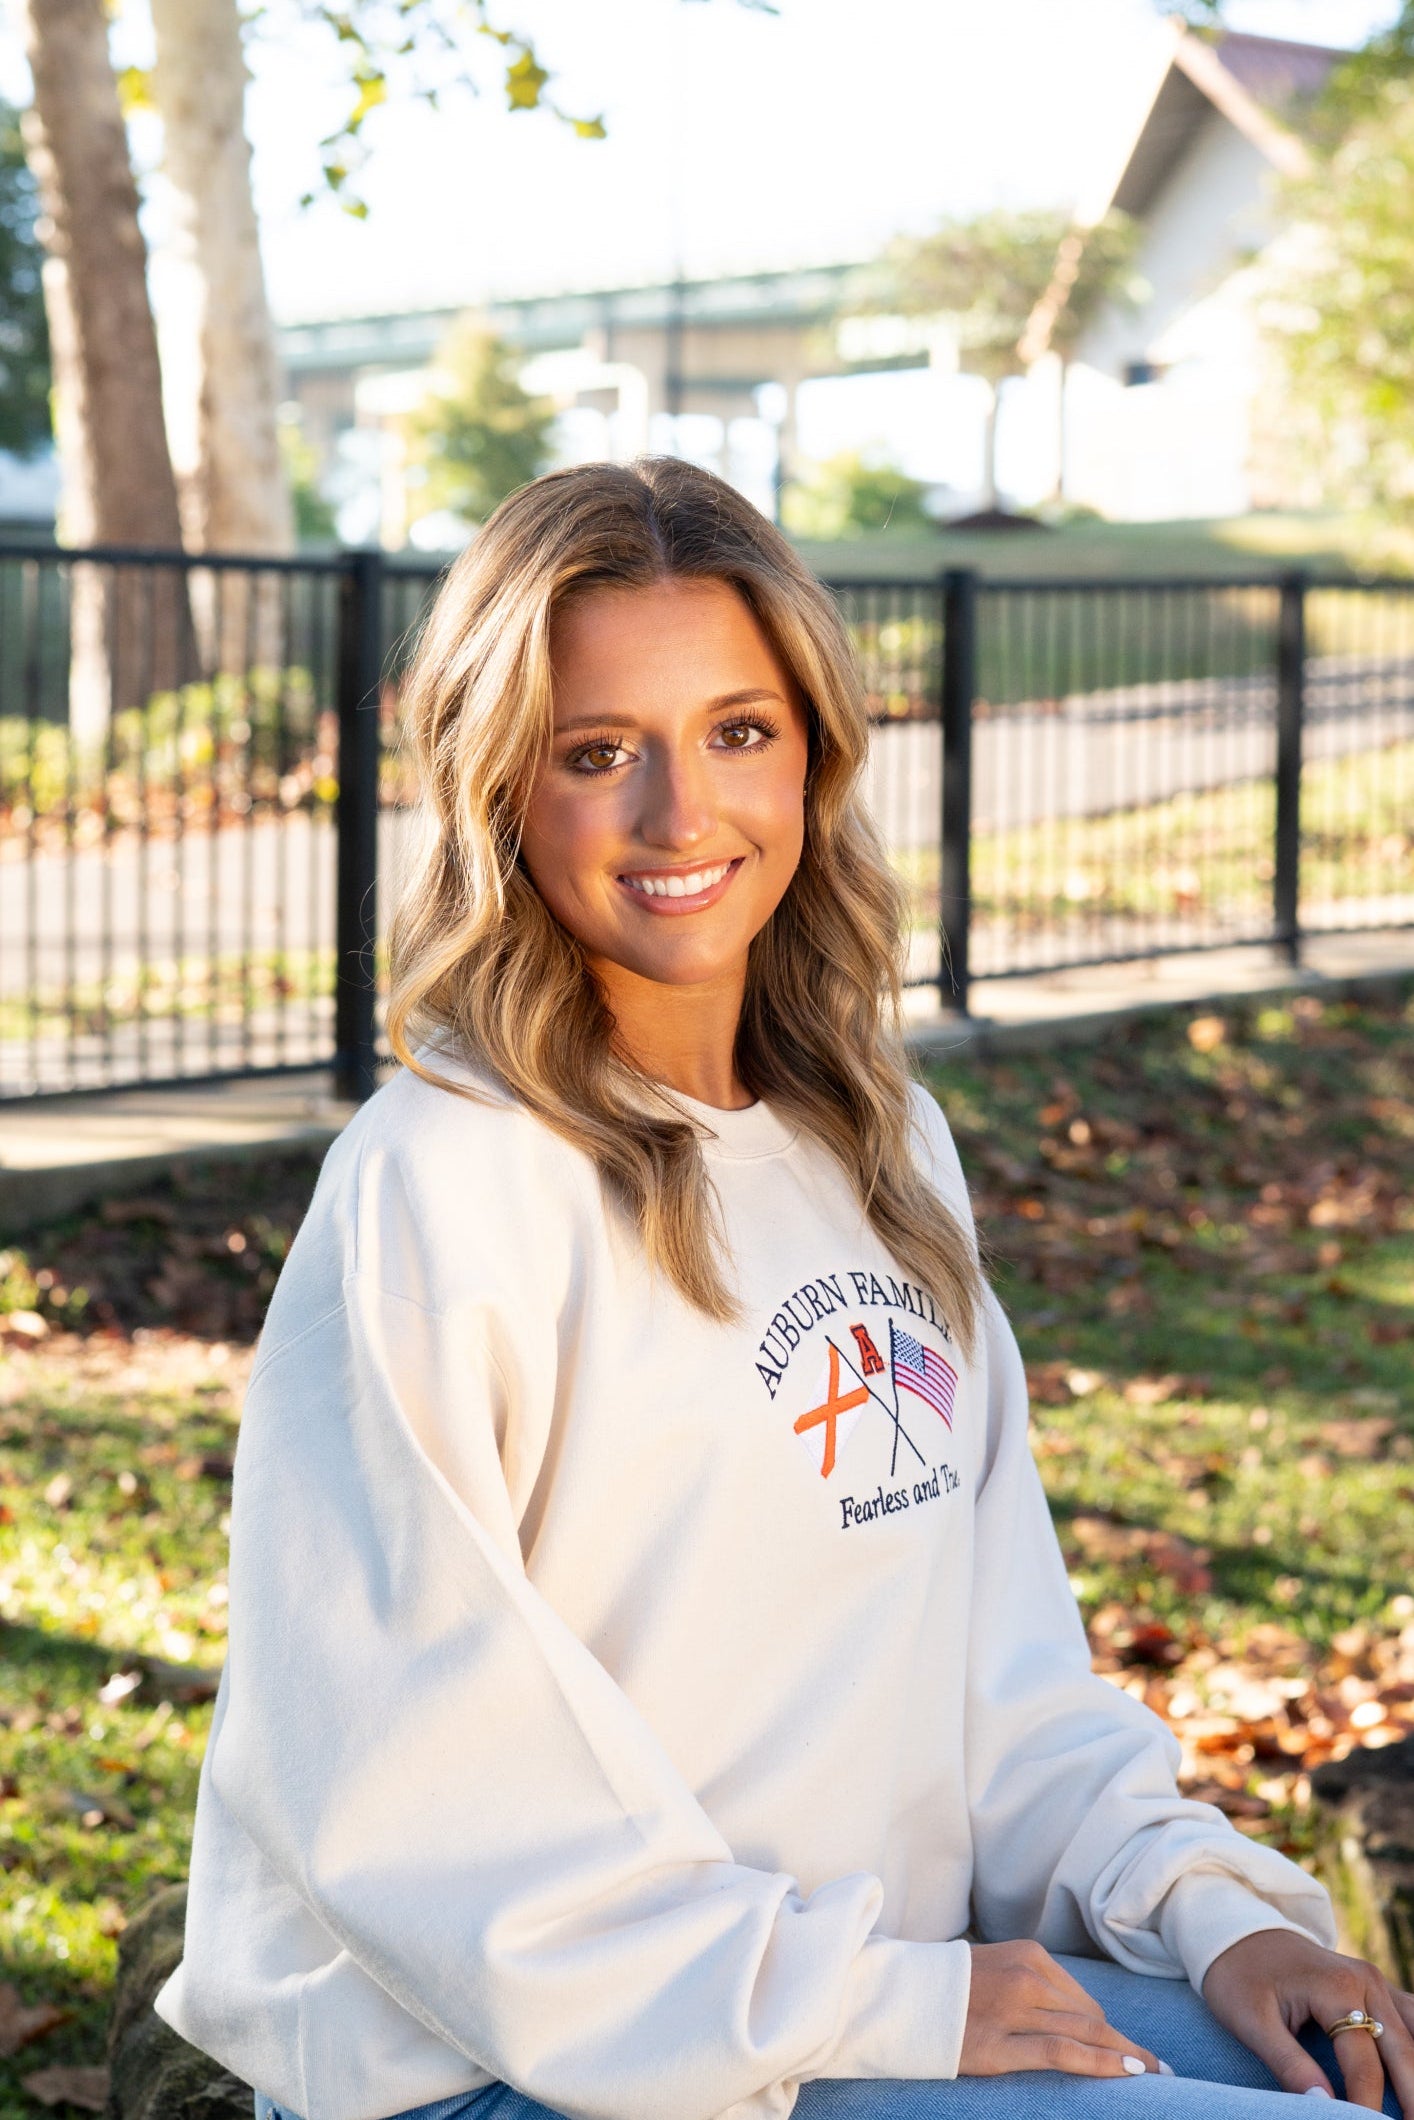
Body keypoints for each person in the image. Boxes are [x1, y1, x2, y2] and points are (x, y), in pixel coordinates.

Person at [156, 460, 1411, 2120]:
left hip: (847, 2016)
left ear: (814, 755)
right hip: (516, 2075)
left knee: (1361, 2078)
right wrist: (884, 2004)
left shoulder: (878, 1148)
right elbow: (421, 1807)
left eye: (738, 732)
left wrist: (1217, 1919)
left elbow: (1004, 1684)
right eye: (599, 754)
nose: (685, 817)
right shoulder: (448, 1186)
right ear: (496, 792)